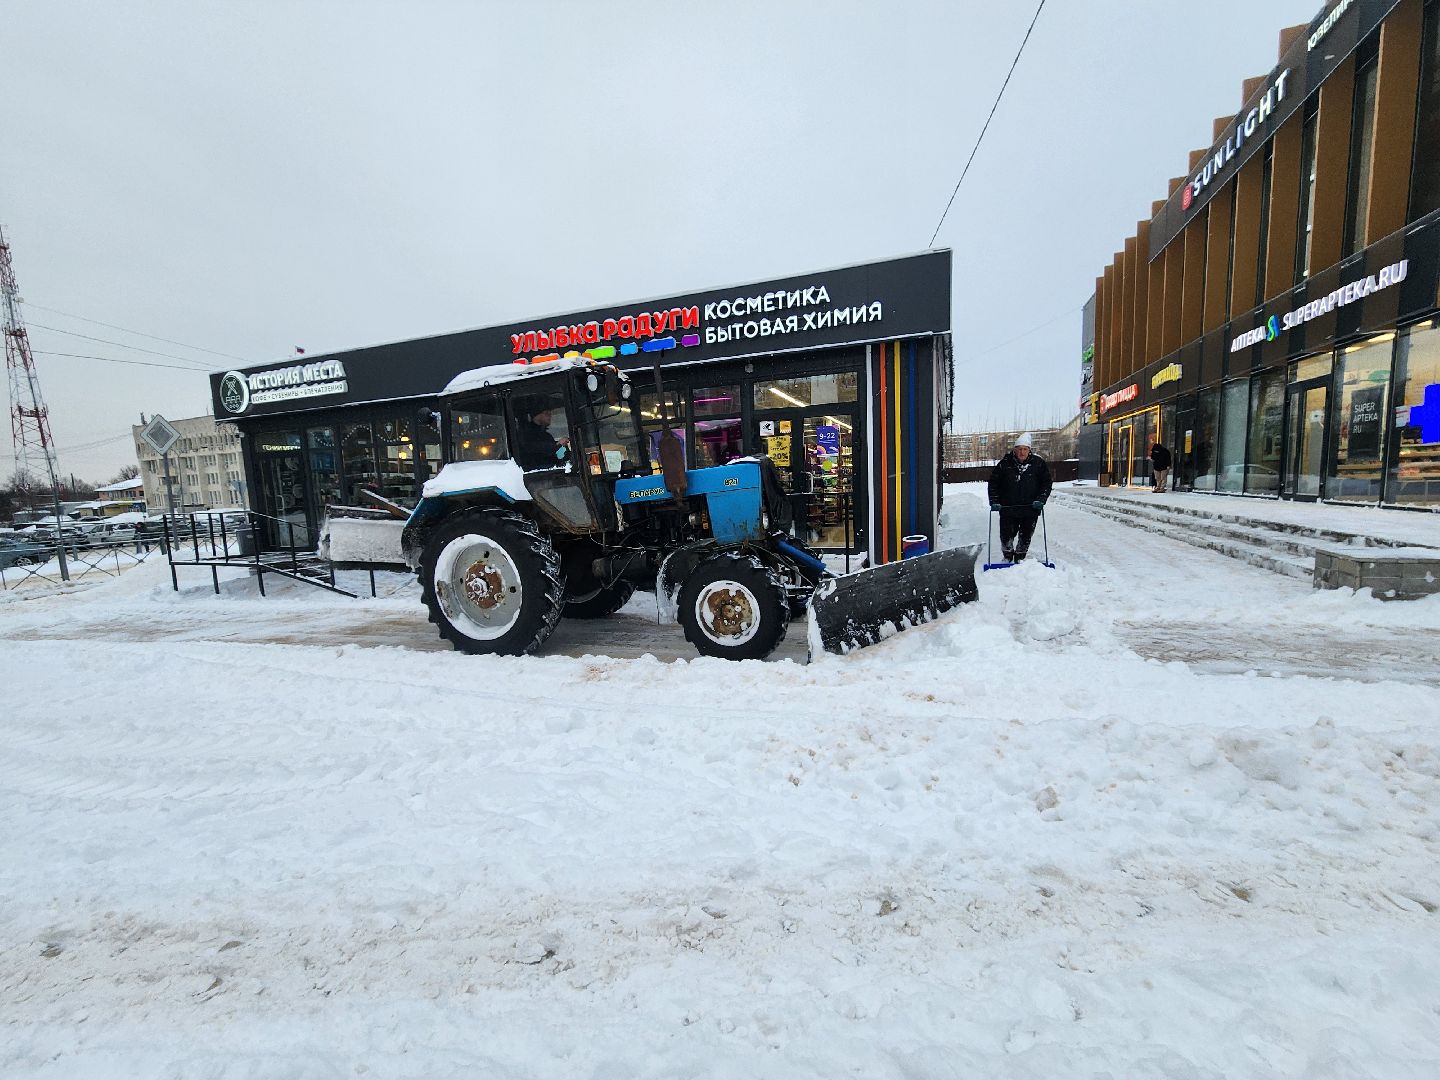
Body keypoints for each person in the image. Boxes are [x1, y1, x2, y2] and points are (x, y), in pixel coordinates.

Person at [987, 432, 1053, 563]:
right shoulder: (1004, 464)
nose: (1022, 452)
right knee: (1006, 536)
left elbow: (1046, 483)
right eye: (1019, 449)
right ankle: (1007, 557)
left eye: (1025, 449)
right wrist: (994, 501)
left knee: (1026, 536)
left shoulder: (1038, 464)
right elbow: (993, 483)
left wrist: (1041, 499)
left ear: (1029, 450)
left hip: (1030, 508)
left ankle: (1020, 557)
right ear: (1014, 450)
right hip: (1008, 508)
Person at [514, 395, 570, 470]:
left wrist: (564, 448)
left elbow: (556, 456)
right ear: (536, 415)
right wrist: (557, 445)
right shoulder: (525, 435)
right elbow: (539, 451)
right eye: (546, 413)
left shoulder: (547, 436)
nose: (550, 415)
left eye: (550, 413)